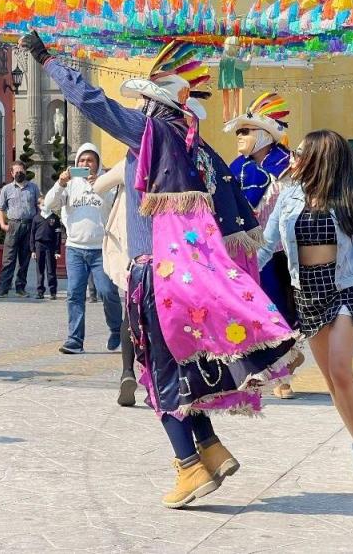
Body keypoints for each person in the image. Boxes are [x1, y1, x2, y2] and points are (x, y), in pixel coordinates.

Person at [23, 32, 297, 509]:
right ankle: (211, 449)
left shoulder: (153, 132)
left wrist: (47, 61)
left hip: (156, 275)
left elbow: (94, 103)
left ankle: (188, 467)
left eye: (145, 100)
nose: (140, 108)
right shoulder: (197, 146)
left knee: (159, 372)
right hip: (185, 275)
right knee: (184, 367)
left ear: (157, 102)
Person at [259, 130, 353, 483]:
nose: (292, 158)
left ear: (319, 157)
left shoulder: (351, 195)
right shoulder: (288, 196)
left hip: (346, 285)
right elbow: (267, 245)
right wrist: (236, 277)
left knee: (340, 368)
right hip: (307, 290)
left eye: (299, 152)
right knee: (331, 376)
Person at [225, 92, 303, 399]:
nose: (239, 136)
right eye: (239, 131)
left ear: (265, 134)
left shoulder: (290, 168)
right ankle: (257, 369)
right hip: (246, 253)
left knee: (281, 312)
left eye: (246, 130)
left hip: (282, 253)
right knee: (251, 312)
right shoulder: (234, 169)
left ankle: (284, 371)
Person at [45, 143, 124, 354]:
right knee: (74, 293)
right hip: (75, 248)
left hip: (101, 248)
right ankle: (75, 340)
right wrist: (60, 183)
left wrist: (98, 185)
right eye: (81, 160)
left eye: (90, 160)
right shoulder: (70, 184)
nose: (85, 164)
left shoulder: (106, 182)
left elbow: (112, 205)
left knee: (107, 291)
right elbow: (50, 204)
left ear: (97, 163)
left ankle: (117, 329)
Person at [93, 160, 137, 405]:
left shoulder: (131, 162)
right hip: (167, 249)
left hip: (133, 248)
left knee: (130, 312)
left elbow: (98, 187)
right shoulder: (177, 159)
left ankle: (127, 371)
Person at [0, 161, 40, 298]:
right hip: (13, 225)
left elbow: (39, 206)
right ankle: (3, 290)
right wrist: (3, 225)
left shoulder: (33, 188)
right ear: (12, 173)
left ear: (25, 171)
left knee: (24, 259)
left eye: (21, 171)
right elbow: (0, 209)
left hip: (29, 225)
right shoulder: (6, 189)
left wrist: (37, 225)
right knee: (8, 259)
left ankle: (21, 288)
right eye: (17, 171)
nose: (19, 173)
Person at [29, 203, 62, 300]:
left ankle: (53, 292)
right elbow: (32, 234)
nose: (44, 206)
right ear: (38, 205)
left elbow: (58, 236)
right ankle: (40, 292)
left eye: (46, 204)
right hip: (39, 245)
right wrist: (33, 250)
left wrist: (57, 251)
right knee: (40, 269)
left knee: (51, 269)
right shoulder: (36, 218)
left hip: (50, 246)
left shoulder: (55, 218)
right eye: (42, 204)